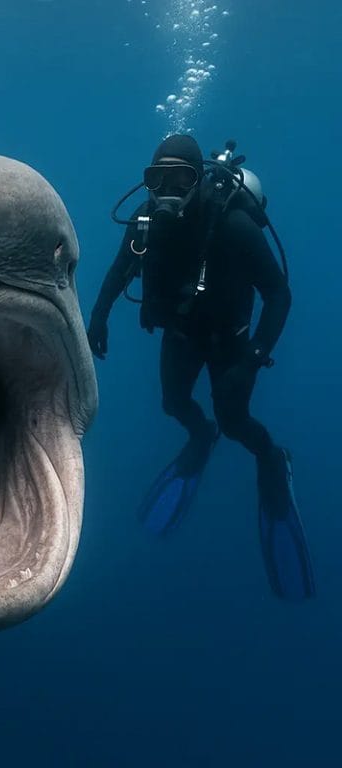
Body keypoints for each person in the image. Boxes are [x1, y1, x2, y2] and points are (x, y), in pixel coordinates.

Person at [88, 134, 315, 600]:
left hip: (231, 344)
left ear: (198, 180)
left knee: (235, 422)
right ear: (146, 182)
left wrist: (252, 361)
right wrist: (99, 316)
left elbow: (279, 293)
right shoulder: (145, 222)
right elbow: (119, 271)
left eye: (180, 178)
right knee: (174, 404)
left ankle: (272, 459)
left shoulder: (232, 225)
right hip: (181, 335)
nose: (168, 189)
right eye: (158, 178)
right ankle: (200, 435)